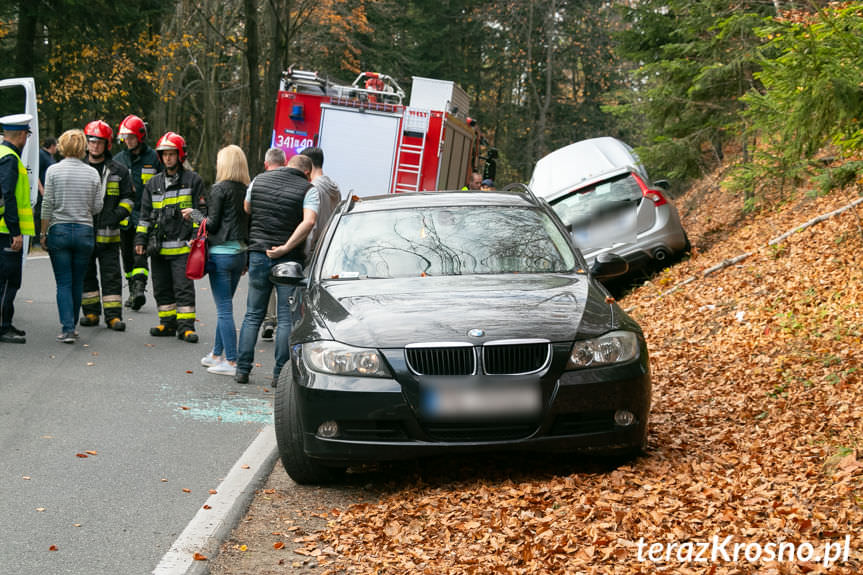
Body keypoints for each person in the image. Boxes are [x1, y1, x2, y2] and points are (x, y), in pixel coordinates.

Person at [235, 153, 317, 384]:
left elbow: (247, 208)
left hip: (259, 254)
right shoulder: (308, 189)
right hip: (288, 260)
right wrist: (286, 246)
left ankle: (242, 370)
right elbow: (309, 221)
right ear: (307, 173)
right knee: (284, 318)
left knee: (253, 314)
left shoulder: (258, 180)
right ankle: (279, 375)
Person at [134, 131, 205, 343]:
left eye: (172, 154)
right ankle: (167, 324)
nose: (168, 158)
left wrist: (195, 237)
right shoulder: (153, 183)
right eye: (164, 154)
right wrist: (140, 240)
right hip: (158, 248)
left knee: (183, 289)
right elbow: (145, 216)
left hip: (183, 247)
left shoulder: (193, 181)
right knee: (161, 287)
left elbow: (202, 215)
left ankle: (186, 327)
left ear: (180, 155)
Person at [41, 129, 103, 343]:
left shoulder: (53, 171)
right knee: (78, 282)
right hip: (85, 231)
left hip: (60, 230)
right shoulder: (93, 173)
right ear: (83, 147)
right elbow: (97, 207)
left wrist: (43, 232)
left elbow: (47, 203)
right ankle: (73, 326)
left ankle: (67, 328)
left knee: (64, 282)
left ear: (62, 146)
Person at [197, 145, 249, 376]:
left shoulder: (219, 189)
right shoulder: (247, 190)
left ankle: (231, 361)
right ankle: (216, 354)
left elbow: (213, 224)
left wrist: (195, 216)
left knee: (224, 309)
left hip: (221, 254)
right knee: (224, 307)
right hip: (240, 254)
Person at [78, 121, 135, 332]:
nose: (94, 146)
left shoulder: (119, 170)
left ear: (107, 144)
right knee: (86, 274)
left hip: (110, 236)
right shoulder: (80, 167)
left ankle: (113, 317)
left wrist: (116, 215)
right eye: (91, 141)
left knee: (111, 276)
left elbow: (129, 198)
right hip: (84, 233)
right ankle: (91, 313)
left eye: (99, 142)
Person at [114, 114, 162, 311]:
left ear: (140, 137)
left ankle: (140, 287)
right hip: (125, 217)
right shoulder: (119, 159)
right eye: (125, 138)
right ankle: (133, 290)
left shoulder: (154, 158)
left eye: (131, 137)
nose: (128, 141)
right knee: (127, 256)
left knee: (140, 253)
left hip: (146, 215)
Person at [0, 114, 35, 344]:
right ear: (22, 135)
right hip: (6, 232)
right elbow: (8, 196)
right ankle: (3, 327)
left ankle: (6, 323)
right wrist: (15, 231)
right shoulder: (10, 158)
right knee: (8, 281)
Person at [247, 147, 287, 342]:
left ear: (266, 164)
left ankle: (269, 320)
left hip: (261, 242)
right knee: (284, 288)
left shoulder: (257, 181)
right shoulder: (296, 182)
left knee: (255, 305)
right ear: (285, 164)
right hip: (286, 244)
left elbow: (247, 207)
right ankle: (280, 322)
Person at [300, 146, 341, 261]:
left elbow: (312, 225)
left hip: (313, 253)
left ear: (308, 164)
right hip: (327, 249)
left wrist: (304, 255)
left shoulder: (313, 189)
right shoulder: (335, 187)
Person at [35, 137, 57, 241]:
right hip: (42, 191)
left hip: (50, 191)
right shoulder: (41, 155)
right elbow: (36, 173)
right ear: (52, 146)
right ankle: (37, 238)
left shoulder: (50, 157)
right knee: (40, 213)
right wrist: (41, 190)